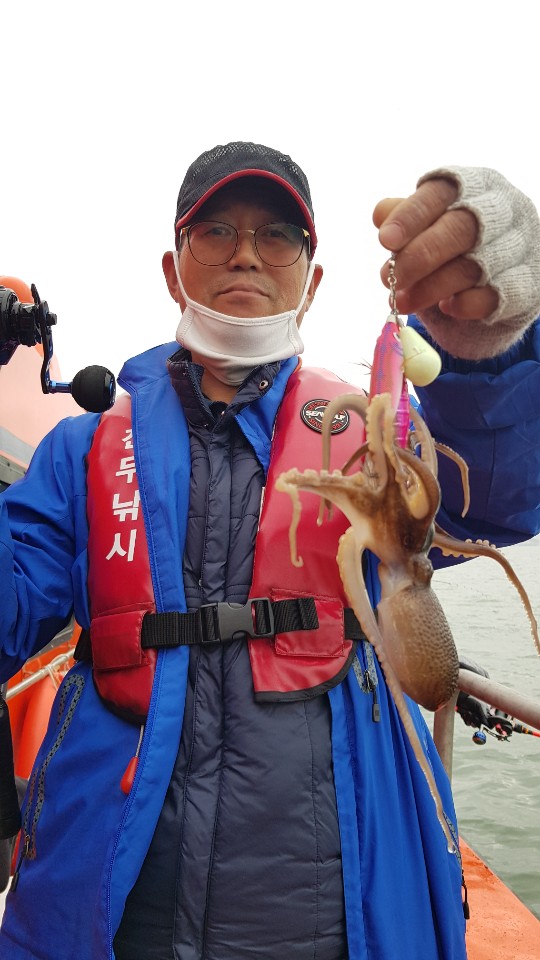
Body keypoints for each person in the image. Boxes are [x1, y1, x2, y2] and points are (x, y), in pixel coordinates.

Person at [0, 140, 539, 960]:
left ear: (312, 281)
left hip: (332, 913)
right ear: (173, 270)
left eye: (278, 235)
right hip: (114, 907)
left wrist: (491, 349)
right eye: (215, 230)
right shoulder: (81, 451)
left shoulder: (372, 437)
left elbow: (496, 494)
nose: (246, 253)